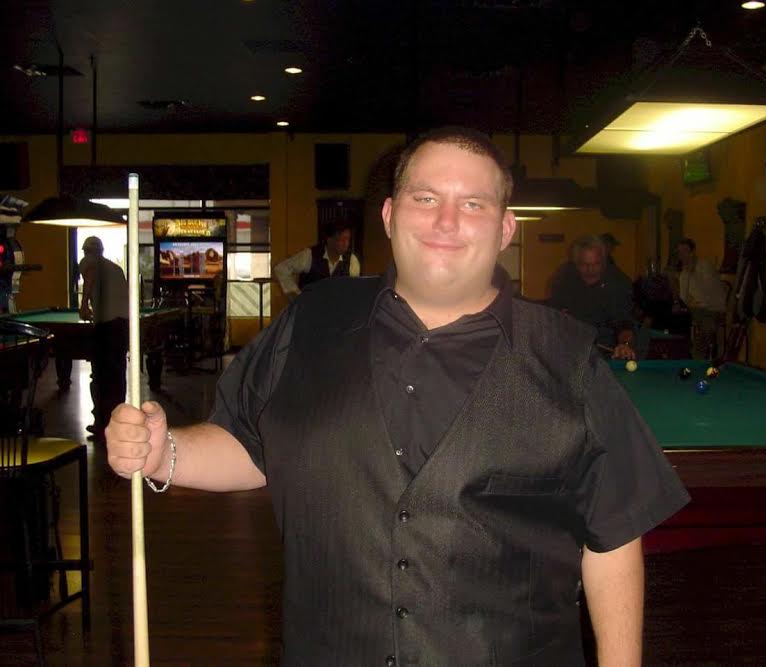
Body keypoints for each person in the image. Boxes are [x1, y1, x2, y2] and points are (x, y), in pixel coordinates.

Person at [106, 127, 688, 665]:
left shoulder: (569, 358)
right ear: (389, 215)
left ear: (506, 229)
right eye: (425, 198)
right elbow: (249, 444)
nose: (446, 221)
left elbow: (614, 537)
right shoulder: (311, 320)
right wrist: (163, 453)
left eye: (474, 204)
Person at [548, 235, 638, 359]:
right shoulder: (563, 279)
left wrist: (625, 345)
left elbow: (624, 323)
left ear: (604, 261)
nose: (590, 270)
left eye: (596, 264)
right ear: (575, 263)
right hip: (570, 350)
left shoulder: (618, 283)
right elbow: (554, 317)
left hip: (609, 351)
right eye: (584, 264)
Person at [78, 236, 128, 442]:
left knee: (100, 377)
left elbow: (89, 275)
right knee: (117, 376)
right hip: (122, 326)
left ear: (87, 251)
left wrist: (83, 304)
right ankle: (117, 422)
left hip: (106, 327)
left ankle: (101, 424)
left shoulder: (88, 261)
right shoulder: (116, 268)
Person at [273, 221, 360, 298]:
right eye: (341, 239)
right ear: (329, 239)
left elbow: (353, 289)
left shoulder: (351, 260)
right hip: (311, 308)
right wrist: (296, 295)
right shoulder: (310, 255)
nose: (345, 244)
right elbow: (281, 269)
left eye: (347, 239)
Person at [674, 238, 727, 359]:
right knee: (676, 318)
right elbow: (684, 299)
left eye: (685, 251)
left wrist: (694, 304)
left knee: (704, 324)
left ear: (692, 252)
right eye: (679, 252)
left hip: (714, 309)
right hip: (696, 310)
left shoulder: (705, 266)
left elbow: (712, 294)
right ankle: (682, 354)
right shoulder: (684, 273)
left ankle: (699, 357)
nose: (682, 255)